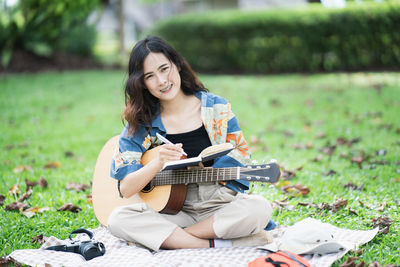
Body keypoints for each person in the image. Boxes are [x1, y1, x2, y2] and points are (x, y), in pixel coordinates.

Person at [107, 36, 273, 251]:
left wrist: (210, 166)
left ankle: (178, 240)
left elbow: (241, 157)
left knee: (259, 208)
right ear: (142, 83)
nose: (161, 81)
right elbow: (126, 187)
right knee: (119, 219)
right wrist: (156, 162)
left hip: (218, 205)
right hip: (172, 213)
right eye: (150, 76)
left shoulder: (217, 108)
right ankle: (217, 244)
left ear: (177, 64)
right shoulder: (141, 124)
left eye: (164, 69)